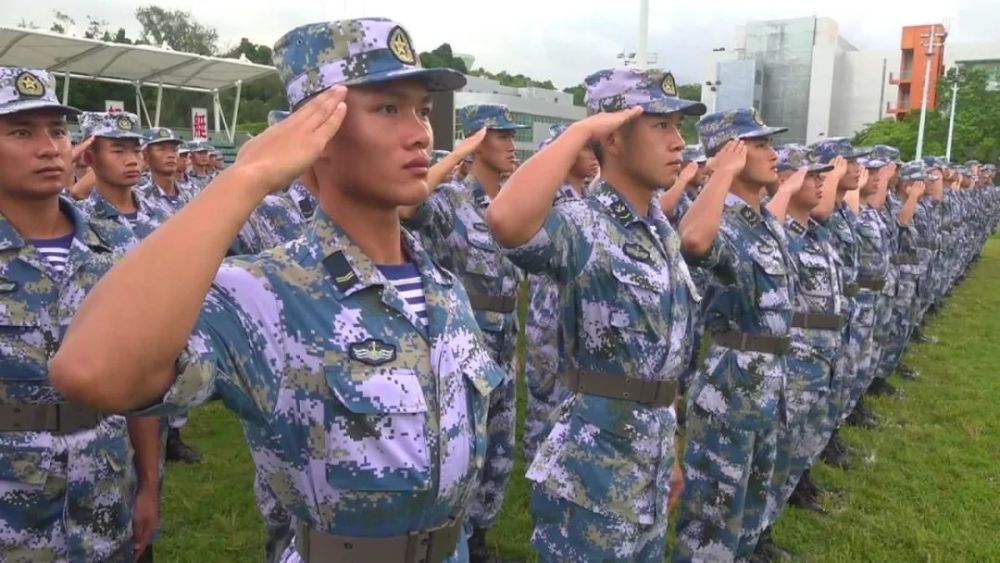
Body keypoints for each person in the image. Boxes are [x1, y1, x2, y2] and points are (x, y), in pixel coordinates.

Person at [50, 18, 504, 563]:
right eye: (388, 109)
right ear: (316, 131)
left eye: (423, 111)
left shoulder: (443, 289)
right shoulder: (266, 292)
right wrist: (246, 177)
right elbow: (91, 371)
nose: (421, 134)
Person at [487, 66, 704, 562]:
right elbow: (506, 221)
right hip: (594, 474)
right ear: (614, 138)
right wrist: (580, 131)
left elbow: (662, 361)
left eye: (678, 126)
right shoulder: (585, 223)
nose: (678, 141)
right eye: (661, 125)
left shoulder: (661, 233)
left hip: (648, 463)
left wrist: (670, 451)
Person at [0, 66, 160, 562]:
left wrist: (149, 482)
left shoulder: (114, 250)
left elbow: (139, 377)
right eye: (21, 132)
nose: (49, 148)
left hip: (104, 493)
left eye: (57, 131)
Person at [401, 101, 527, 561]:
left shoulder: (510, 202)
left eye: (512, 135)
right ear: (475, 145)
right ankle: (454, 537)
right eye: (501, 136)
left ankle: (478, 539)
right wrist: (455, 155)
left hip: (504, 343)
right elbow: (408, 205)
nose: (512, 145)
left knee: (499, 450)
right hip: (463, 347)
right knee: (462, 449)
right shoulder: (452, 200)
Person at [672, 108, 796, 563]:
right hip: (731, 386)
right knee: (714, 516)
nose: (773, 153)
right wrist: (720, 173)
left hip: (767, 381)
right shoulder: (719, 216)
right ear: (733, 153)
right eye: (760, 145)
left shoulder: (762, 220)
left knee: (750, 509)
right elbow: (693, 242)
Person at [521, 123, 598, 464]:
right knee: (546, 396)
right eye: (585, 149)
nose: (594, 156)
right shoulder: (550, 199)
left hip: (576, 313)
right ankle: (538, 466)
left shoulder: (588, 198)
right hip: (551, 315)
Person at [140, 126, 195, 216]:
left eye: (174, 150)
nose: (171, 155)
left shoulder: (191, 194)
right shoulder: (140, 198)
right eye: (161, 149)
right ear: (146, 154)